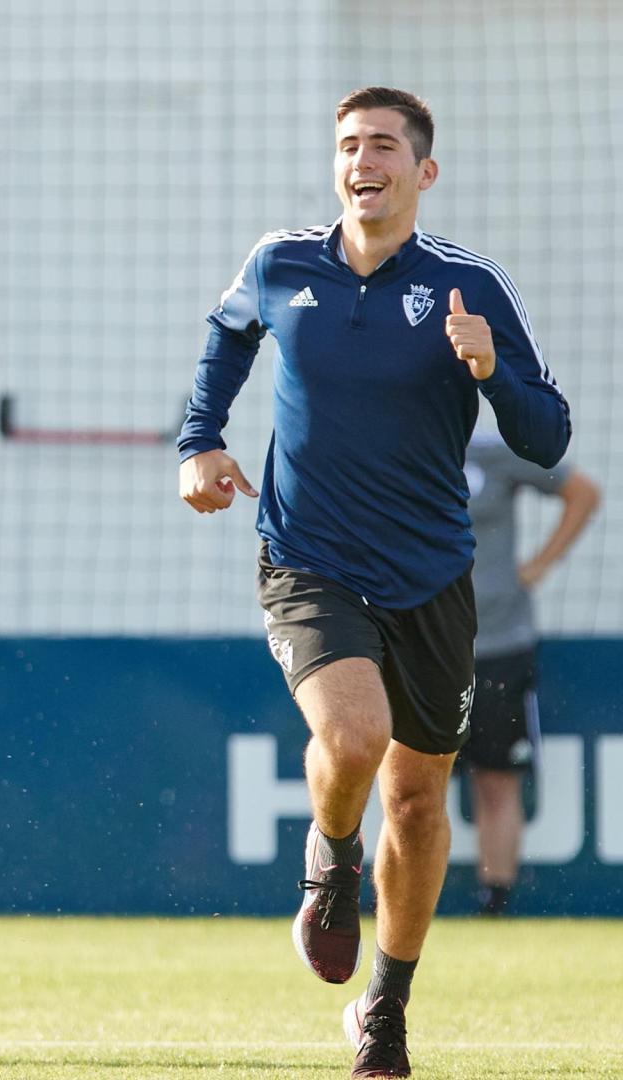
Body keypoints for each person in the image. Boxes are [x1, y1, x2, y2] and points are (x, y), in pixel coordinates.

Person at [177, 87, 569, 1078]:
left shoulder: (467, 285)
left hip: (433, 576)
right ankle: (329, 857)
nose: (365, 158)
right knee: (351, 736)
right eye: (350, 143)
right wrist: (200, 443)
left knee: (419, 804)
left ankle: (384, 1011)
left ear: (422, 173)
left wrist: (490, 373)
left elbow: (550, 433)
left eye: (385, 145)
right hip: (308, 558)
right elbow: (228, 334)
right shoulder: (281, 264)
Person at [462, 435, 599, 915]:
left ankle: (494, 903)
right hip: (428, 647)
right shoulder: (403, 445)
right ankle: (406, 902)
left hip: (501, 642)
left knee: (497, 777)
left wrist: (540, 565)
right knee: (414, 781)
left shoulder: (494, 451)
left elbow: (584, 492)